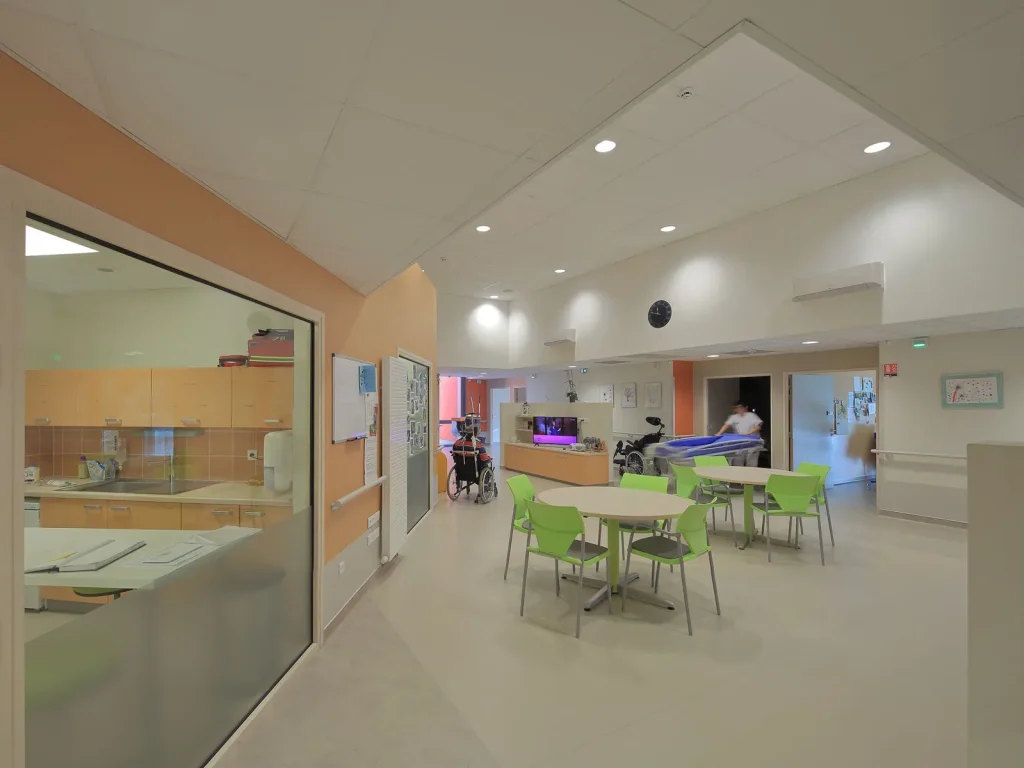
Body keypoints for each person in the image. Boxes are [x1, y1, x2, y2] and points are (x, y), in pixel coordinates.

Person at [715, 400, 763, 467]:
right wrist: (719, 432)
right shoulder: (733, 417)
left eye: (740, 407)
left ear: (746, 407)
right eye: (737, 408)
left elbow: (758, 427)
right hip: (740, 442)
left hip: (752, 442)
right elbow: (726, 425)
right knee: (737, 462)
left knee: (751, 463)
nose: (739, 409)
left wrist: (750, 433)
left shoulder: (752, 416)